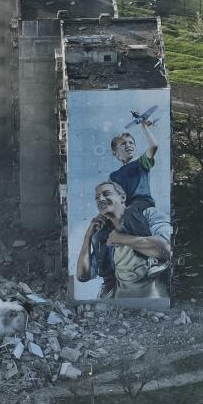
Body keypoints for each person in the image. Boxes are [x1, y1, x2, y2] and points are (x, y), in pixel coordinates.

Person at [90, 119, 160, 286]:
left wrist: (144, 127)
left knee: (129, 213)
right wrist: (102, 217)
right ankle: (107, 276)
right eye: (123, 144)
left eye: (131, 142)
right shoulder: (114, 176)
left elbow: (154, 147)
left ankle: (153, 258)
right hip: (122, 208)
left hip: (140, 202)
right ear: (115, 153)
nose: (128, 145)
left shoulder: (140, 164)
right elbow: (111, 198)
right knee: (99, 235)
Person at [77, 181, 171, 299]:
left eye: (106, 194)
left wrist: (122, 239)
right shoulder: (104, 237)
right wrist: (88, 237)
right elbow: (83, 276)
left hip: (154, 298)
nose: (101, 199)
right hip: (120, 301)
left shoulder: (146, 214)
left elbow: (167, 249)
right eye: (97, 197)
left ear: (122, 197)